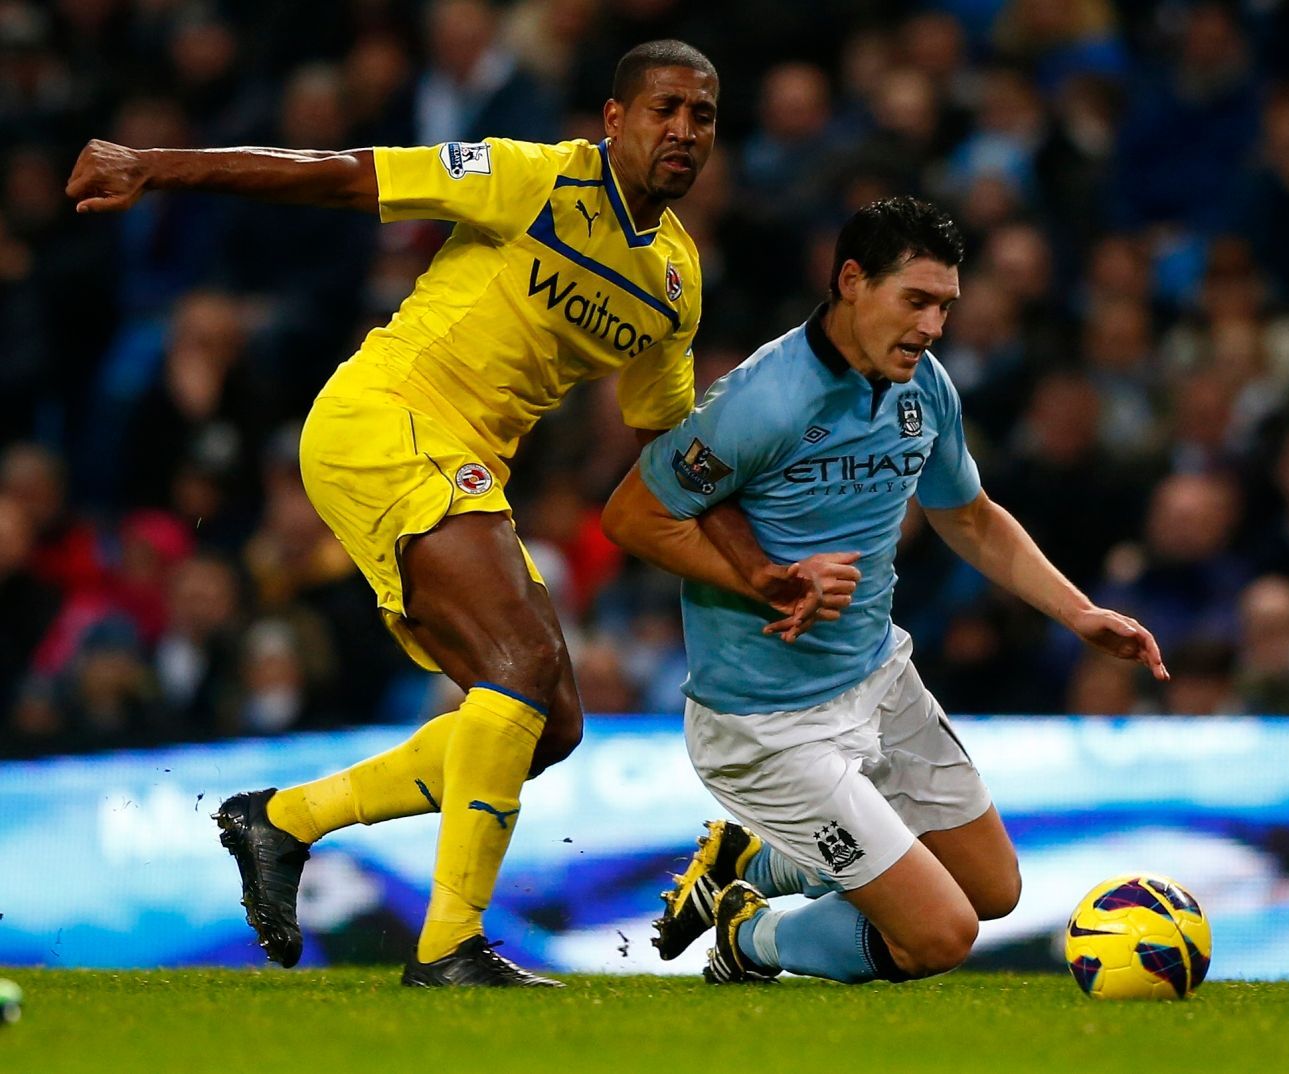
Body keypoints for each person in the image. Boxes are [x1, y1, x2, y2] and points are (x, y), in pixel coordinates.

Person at [66, 40, 841, 989]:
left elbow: (667, 449)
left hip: (465, 466)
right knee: (518, 670)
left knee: (546, 723)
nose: (683, 131)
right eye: (663, 109)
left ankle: (282, 821)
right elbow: (349, 178)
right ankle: (449, 949)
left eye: (704, 116)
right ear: (613, 120)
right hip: (384, 418)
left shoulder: (673, 283)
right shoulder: (530, 179)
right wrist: (154, 166)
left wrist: (758, 568)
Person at [603, 196, 1169, 985]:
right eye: (917, 301)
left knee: (993, 889)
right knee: (941, 935)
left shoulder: (924, 389)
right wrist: (763, 578)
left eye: (946, 306)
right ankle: (750, 938)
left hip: (878, 679)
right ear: (851, 282)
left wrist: (1078, 612)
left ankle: (751, 862)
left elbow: (968, 516)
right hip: (770, 723)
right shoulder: (763, 399)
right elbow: (632, 517)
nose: (935, 326)